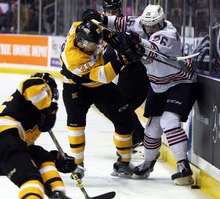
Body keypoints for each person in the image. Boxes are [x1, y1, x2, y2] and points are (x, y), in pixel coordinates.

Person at [82, 4, 198, 185]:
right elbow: (118, 22)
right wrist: (98, 17)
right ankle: (148, 163)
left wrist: (133, 40)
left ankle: (183, 166)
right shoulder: (140, 23)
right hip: (158, 85)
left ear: (161, 23)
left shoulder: (169, 35)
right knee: (152, 129)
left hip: (180, 82)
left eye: (154, 26)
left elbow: (148, 48)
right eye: (147, 26)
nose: (150, 29)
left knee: (169, 121)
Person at [0, 73, 84, 199]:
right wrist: (47, 107)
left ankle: (57, 196)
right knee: (30, 176)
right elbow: (28, 85)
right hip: (1, 138)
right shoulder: (37, 85)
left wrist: (57, 159)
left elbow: (26, 151)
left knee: (41, 155)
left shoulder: (30, 116)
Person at [60, 20, 144, 179]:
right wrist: (123, 59)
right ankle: (77, 164)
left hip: (98, 84)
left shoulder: (79, 28)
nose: (97, 48)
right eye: (93, 45)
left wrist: (117, 39)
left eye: (98, 44)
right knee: (76, 125)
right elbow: (104, 76)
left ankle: (123, 163)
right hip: (76, 86)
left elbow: (96, 25)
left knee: (125, 119)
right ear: (81, 43)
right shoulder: (73, 59)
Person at [99, 0, 150, 150]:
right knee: (110, 105)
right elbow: (109, 55)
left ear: (119, 10)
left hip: (139, 70)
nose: (111, 14)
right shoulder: (105, 28)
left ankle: (137, 136)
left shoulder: (129, 23)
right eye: (108, 11)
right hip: (127, 71)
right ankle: (136, 135)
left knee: (120, 105)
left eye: (114, 10)